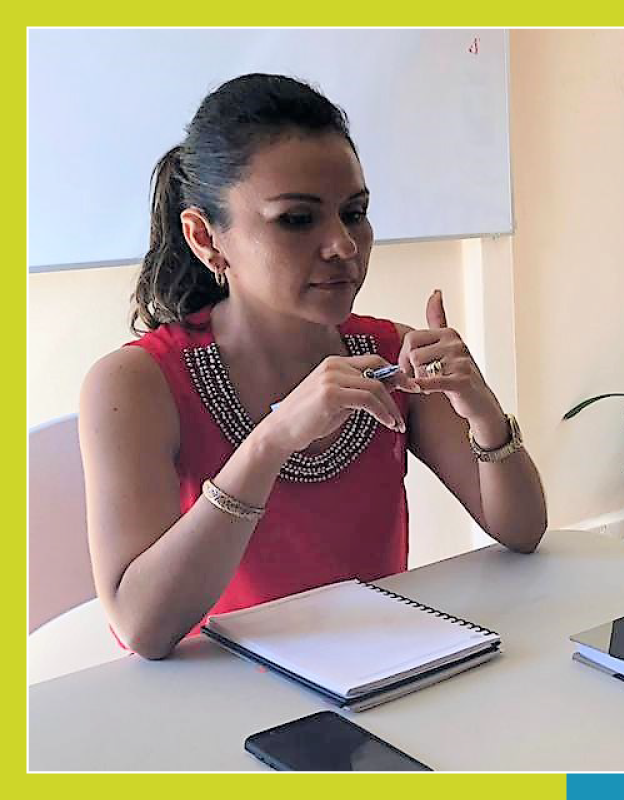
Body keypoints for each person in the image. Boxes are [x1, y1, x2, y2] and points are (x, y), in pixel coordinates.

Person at [79, 74, 549, 660]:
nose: (343, 246)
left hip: (380, 681)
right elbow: (142, 628)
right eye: (297, 220)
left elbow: (522, 531)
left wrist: (481, 409)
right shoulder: (137, 383)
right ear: (206, 238)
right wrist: (271, 440)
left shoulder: (390, 355)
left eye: (355, 213)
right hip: (217, 712)